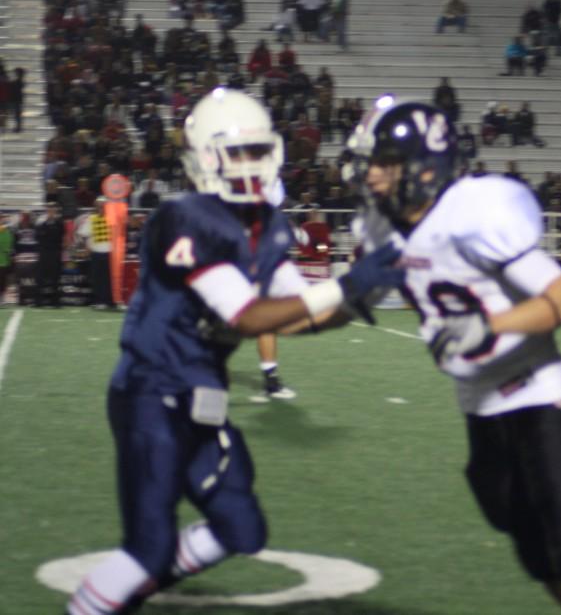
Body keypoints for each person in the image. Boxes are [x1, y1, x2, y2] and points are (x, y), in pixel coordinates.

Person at [64, 89, 403, 615]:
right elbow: (243, 315)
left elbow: (296, 313)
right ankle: (107, 595)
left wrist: (364, 295)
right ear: (205, 156)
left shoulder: (267, 226)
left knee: (240, 526)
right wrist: (346, 284)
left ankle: (136, 588)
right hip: (150, 392)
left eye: (256, 150)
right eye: (237, 152)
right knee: (148, 546)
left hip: (202, 394)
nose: (250, 164)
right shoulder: (184, 218)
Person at [349, 97, 561, 615]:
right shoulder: (389, 229)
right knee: (542, 561)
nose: (372, 174)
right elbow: (341, 302)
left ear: (422, 167)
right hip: (481, 410)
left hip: (539, 400)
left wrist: (486, 325)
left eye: (383, 162)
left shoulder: (471, 215)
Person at [77, 197, 115, 309]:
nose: (100, 208)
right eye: (98, 206)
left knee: (109, 279)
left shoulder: (112, 219)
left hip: (110, 253)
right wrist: (87, 247)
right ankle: (99, 300)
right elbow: (82, 234)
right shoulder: (91, 219)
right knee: (97, 278)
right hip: (96, 253)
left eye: (103, 206)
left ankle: (109, 301)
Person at [34, 202, 65, 308]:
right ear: (46, 210)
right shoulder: (41, 222)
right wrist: (47, 223)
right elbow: (38, 236)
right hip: (43, 253)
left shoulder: (59, 223)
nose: (51, 211)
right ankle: (38, 302)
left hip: (55, 253)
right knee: (40, 278)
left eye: (53, 209)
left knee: (55, 278)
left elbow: (61, 237)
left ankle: (55, 302)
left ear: (55, 210)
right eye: (49, 209)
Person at [0, 215, 13, 304]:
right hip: (4, 258)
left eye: (1, 218)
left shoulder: (6, 231)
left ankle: (2, 298)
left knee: (2, 280)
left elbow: (8, 244)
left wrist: (6, 251)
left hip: (3, 260)